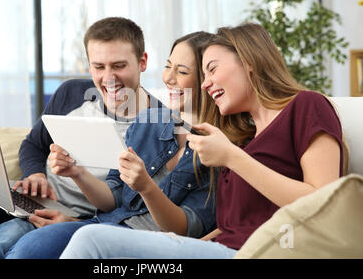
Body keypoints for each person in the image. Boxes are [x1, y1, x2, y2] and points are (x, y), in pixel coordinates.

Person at [59, 23, 348, 259]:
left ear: (248, 62)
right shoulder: (246, 139)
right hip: (222, 249)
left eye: (212, 69)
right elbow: (232, 227)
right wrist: (179, 244)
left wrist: (232, 158)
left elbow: (324, 205)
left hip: (262, 253)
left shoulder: (306, 106)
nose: (206, 83)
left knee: (92, 241)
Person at [0, 17, 161, 259]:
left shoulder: (159, 128)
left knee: (1, 241)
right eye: (98, 66)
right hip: (24, 196)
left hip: (66, 216)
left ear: (142, 62)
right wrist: (35, 174)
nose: (108, 78)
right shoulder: (72, 93)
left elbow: (134, 211)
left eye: (118, 66)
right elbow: (33, 144)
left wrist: (74, 223)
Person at [3, 31, 217, 259]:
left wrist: (146, 187)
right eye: (168, 66)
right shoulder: (149, 121)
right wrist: (77, 172)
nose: (168, 78)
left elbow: (183, 230)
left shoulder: (218, 151)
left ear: (208, 81)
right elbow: (113, 199)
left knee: (23, 245)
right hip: (104, 223)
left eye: (182, 71)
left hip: (148, 241)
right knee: (23, 243)